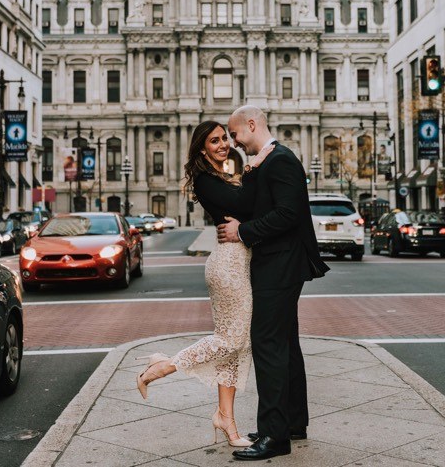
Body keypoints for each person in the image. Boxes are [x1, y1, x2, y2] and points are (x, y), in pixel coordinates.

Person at [134, 121, 273, 449]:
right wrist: (254, 168)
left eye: (225, 138)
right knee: (232, 340)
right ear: (201, 149)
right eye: (215, 141)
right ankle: (163, 366)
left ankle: (226, 418)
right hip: (228, 266)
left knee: (238, 346)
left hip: (238, 262)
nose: (224, 144)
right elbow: (244, 206)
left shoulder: (223, 174)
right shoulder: (205, 180)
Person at [218, 105, 329, 461]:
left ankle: (273, 436)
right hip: (280, 263)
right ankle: (292, 423)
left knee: (268, 346)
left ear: (252, 125)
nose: (234, 142)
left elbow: (287, 214)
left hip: (280, 264)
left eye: (236, 134)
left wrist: (242, 231)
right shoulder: (268, 162)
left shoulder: (280, 160)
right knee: (285, 345)